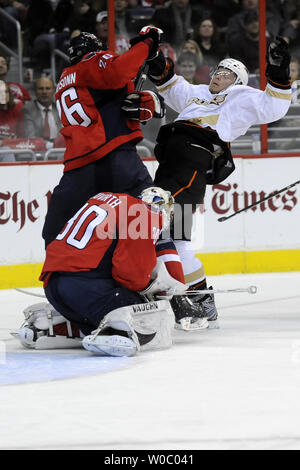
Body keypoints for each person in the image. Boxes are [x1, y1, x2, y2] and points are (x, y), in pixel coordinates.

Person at [141, 35, 292, 322]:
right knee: (178, 239)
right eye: (218, 71)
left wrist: (278, 68)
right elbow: (169, 82)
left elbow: (275, 106)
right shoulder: (197, 92)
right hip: (173, 160)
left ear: (237, 80)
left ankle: (149, 287)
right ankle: (203, 303)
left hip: (193, 160)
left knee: (150, 213)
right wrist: (152, 54)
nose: (218, 75)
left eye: (227, 73)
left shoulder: (242, 96)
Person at [12, 188, 208, 356]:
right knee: (150, 313)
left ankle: (52, 325)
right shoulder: (146, 214)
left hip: (54, 287)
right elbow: (131, 275)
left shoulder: (106, 198)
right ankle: (115, 332)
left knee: (95, 307)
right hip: (86, 288)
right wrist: (152, 289)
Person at [42, 29, 165, 248]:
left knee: (57, 227)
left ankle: (55, 275)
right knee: (154, 212)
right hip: (114, 155)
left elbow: (116, 97)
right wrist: (146, 44)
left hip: (77, 166)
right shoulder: (92, 61)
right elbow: (119, 71)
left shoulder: (64, 80)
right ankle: (176, 270)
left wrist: (147, 101)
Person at [22, 77, 61, 148]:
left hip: (58, 150)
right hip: (37, 151)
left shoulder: (59, 108)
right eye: (40, 88)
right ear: (35, 91)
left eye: (48, 88)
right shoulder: (28, 109)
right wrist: (51, 145)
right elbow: (31, 137)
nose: (44, 92)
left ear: (54, 90)